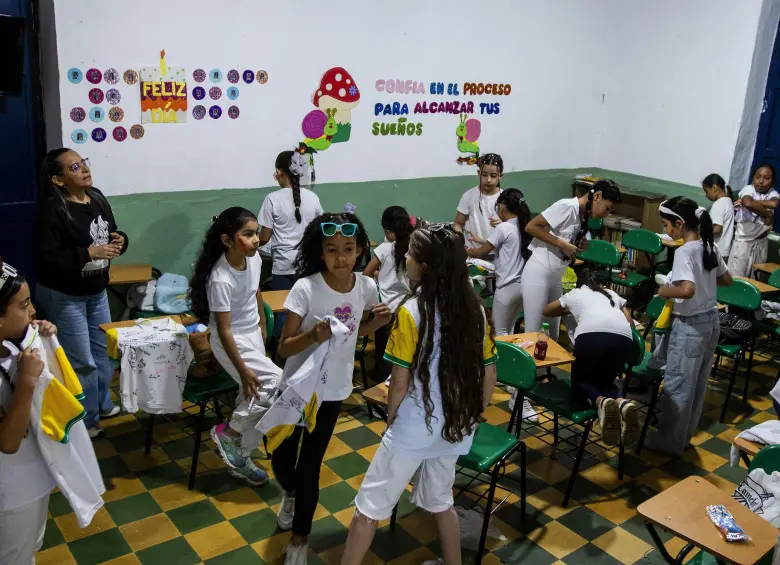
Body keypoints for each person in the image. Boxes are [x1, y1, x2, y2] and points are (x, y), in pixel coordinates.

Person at [340, 225, 497, 565]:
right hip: (456, 425)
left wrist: (392, 420)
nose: (406, 258)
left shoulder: (412, 312)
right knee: (442, 502)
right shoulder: (476, 310)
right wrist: (474, 415)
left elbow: (399, 383)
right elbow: (489, 375)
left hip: (414, 425)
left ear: (425, 266)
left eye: (410, 254)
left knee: (369, 509)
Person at [274, 213, 392, 565]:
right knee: (281, 457)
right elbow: (284, 349)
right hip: (297, 388)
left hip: (332, 392)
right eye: (332, 250)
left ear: (360, 250)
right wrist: (314, 335)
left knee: (310, 465)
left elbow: (354, 333)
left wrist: (378, 321)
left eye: (349, 249)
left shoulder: (365, 287)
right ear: (320, 252)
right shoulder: (306, 288)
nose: (341, 258)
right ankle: (291, 492)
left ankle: (299, 539)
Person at [34, 149, 127, 439]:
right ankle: (85, 421)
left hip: (96, 290)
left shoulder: (96, 197)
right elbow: (47, 259)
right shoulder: (53, 209)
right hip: (65, 294)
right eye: (74, 167)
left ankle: (102, 404)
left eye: (83, 163)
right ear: (58, 180)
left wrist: (121, 240)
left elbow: (110, 233)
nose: (84, 169)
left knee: (103, 353)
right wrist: (88, 253)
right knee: (81, 361)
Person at [189, 207, 282, 486]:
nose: (256, 239)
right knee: (275, 382)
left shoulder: (253, 258)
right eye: (248, 234)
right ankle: (229, 433)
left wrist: (262, 322)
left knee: (250, 396)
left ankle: (240, 457)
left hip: (251, 334)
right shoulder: (221, 278)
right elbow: (224, 330)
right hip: (231, 341)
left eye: (256, 233)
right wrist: (242, 369)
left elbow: (255, 290)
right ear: (227, 240)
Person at [645, 197, 732, 457]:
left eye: (667, 225)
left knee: (678, 385)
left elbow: (687, 289)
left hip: (690, 327)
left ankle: (668, 443)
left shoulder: (685, 251)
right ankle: (682, 438)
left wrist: (664, 290)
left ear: (680, 224)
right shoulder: (708, 246)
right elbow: (727, 279)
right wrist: (706, 282)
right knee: (696, 386)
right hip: (711, 323)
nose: (667, 230)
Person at [0, 259, 60, 565]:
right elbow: (8, 442)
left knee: (29, 549)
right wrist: (26, 382)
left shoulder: (9, 345)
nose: (33, 311)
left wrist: (39, 334)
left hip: (31, 477)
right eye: (24, 306)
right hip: (10, 492)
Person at [542, 269, 639, 448]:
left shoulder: (576, 293)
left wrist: (568, 308)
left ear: (580, 284)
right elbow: (630, 324)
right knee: (605, 382)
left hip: (591, 337)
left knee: (579, 383)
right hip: (623, 340)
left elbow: (547, 310)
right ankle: (621, 403)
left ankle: (600, 402)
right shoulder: (612, 294)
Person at [523, 179, 622, 343]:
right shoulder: (567, 206)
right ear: (597, 196)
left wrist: (579, 244)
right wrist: (561, 243)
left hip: (556, 277)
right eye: (607, 208)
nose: (606, 214)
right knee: (533, 333)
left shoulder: (583, 214)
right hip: (538, 273)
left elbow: (565, 237)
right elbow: (531, 227)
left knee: (552, 335)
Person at [466, 188, 536, 421]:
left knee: (500, 334)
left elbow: (481, 253)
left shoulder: (504, 228)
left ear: (502, 207)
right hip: (522, 287)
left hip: (506, 289)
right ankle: (512, 380)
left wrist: (465, 250)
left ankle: (513, 384)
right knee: (512, 331)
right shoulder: (524, 226)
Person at [259, 150, 324, 335]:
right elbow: (320, 230)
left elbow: (264, 238)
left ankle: (282, 349)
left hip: (283, 265)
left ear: (279, 172)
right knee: (307, 309)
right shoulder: (313, 197)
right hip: (308, 263)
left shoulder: (272, 199)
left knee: (284, 311)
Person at [362, 206, 413, 382]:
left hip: (385, 309)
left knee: (384, 350)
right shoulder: (414, 247)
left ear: (389, 232)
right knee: (402, 348)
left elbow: (366, 274)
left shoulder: (384, 248)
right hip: (406, 307)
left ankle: (381, 381)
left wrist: (378, 277)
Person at [728, 164, 779, 278]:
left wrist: (752, 202)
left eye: (766, 178)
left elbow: (773, 203)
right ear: (753, 178)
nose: (761, 181)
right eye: (757, 177)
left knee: (755, 278)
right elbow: (747, 203)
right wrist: (768, 214)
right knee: (737, 278)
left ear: (772, 181)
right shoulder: (748, 189)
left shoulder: (773, 193)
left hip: (761, 243)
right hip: (743, 243)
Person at [453, 153, 504, 252]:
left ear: (500, 176)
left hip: (497, 253)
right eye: (484, 175)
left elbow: (512, 229)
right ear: (479, 173)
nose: (488, 180)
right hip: (471, 252)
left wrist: (504, 225)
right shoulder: (468, 196)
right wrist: (460, 244)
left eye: (493, 176)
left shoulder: (505, 198)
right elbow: (458, 224)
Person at [701, 173, 735, 263]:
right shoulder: (728, 201)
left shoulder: (719, 203)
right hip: (725, 250)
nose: (706, 195)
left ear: (714, 188)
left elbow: (717, 229)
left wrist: (700, 234)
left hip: (717, 250)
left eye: (706, 191)